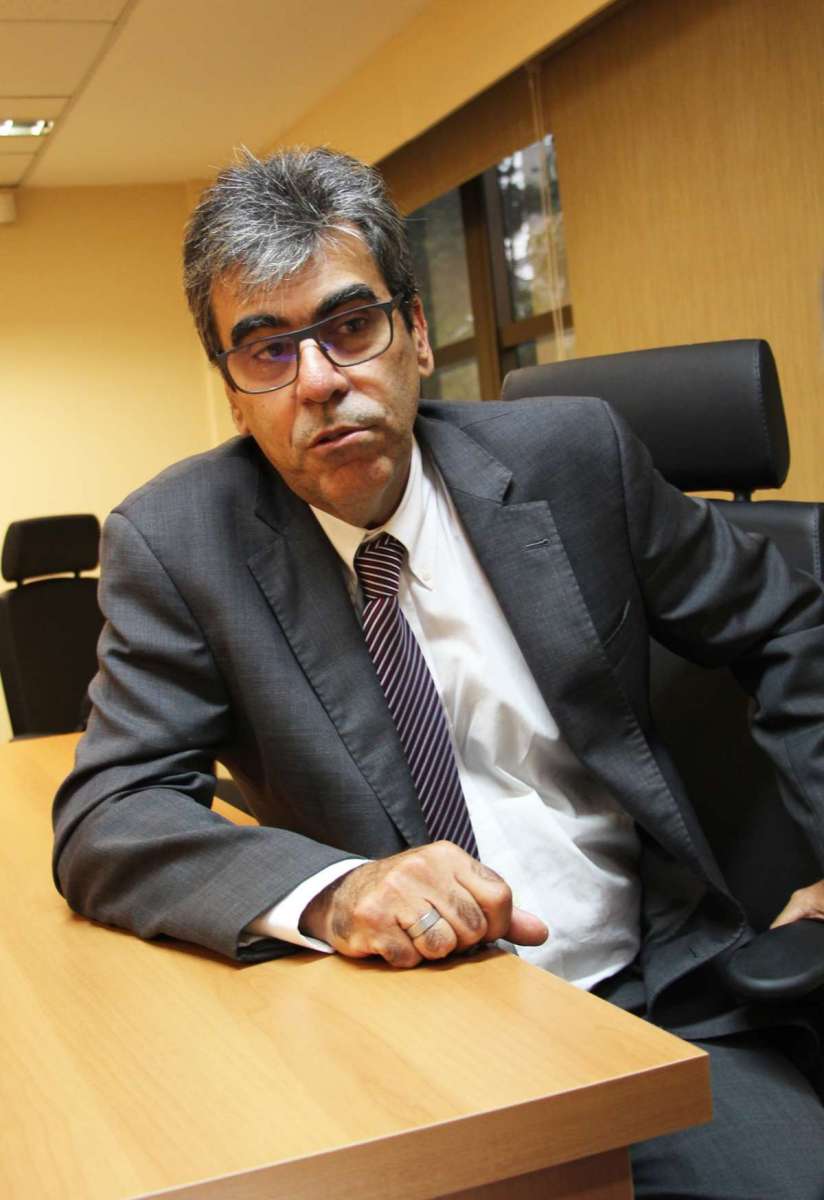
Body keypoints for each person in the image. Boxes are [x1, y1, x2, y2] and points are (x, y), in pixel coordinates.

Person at [53, 147, 824, 1197]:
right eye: (268, 350)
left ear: (415, 333)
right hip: (403, 1042)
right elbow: (111, 810)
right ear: (233, 395)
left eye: (349, 326)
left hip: (661, 998)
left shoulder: (574, 458)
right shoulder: (179, 545)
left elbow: (791, 622)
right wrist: (335, 894)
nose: (320, 381)